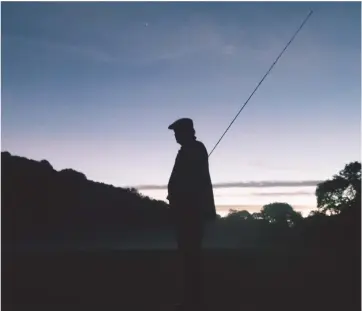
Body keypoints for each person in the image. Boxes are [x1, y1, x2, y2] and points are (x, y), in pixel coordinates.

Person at [167, 118, 216, 310]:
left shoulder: (193, 150)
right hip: (186, 211)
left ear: (187, 132)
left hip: (190, 212)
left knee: (191, 257)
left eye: (177, 132)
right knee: (189, 256)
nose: (175, 136)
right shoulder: (191, 150)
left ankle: (194, 301)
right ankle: (192, 299)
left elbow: (193, 181)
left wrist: (179, 195)